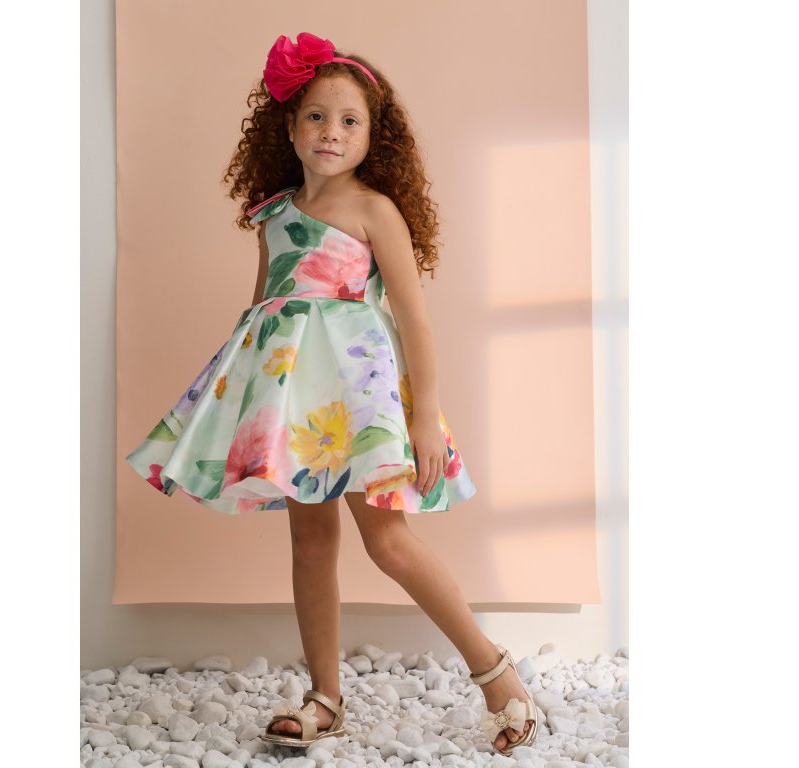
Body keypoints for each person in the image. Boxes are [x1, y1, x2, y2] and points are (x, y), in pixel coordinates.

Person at [125, 31, 538, 755]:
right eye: (316, 116)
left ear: (373, 137)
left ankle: (496, 674)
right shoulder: (272, 214)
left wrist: (425, 417)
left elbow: (413, 319)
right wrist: (236, 408)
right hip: (296, 406)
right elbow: (265, 318)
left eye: (350, 120)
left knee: (390, 543)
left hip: (361, 397)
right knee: (310, 542)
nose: (331, 132)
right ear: (288, 126)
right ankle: (325, 697)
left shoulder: (375, 210)